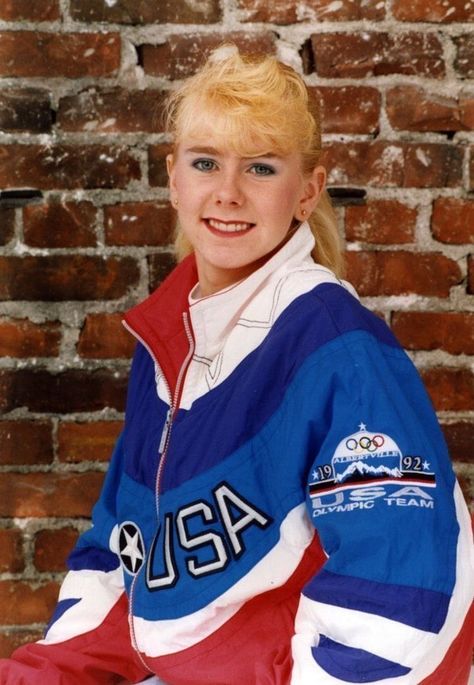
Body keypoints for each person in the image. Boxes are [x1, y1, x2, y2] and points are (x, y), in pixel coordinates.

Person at [0, 45, 472, 685]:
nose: (227, 193)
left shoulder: (338, 349)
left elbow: (400, 598)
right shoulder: (170, 342)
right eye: (205, 163)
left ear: (307, 190)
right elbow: (123, 560)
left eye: (260, 167)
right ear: (173, 180)